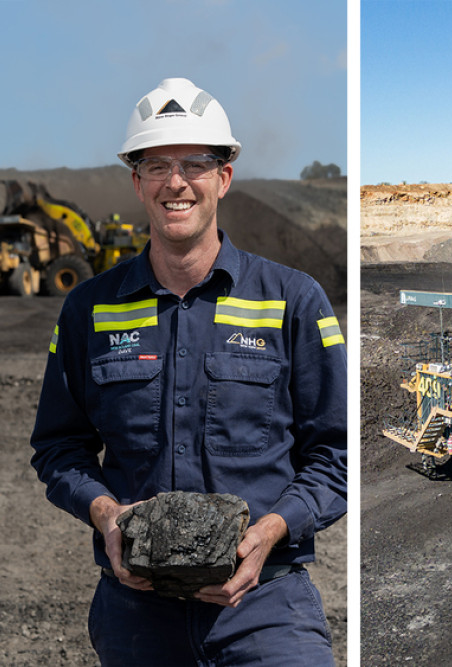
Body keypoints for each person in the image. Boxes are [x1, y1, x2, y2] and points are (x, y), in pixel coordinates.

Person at [30, 77, 347, 665]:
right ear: (137, 182)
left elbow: (336, 454)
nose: (176, 182)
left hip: (265, 608)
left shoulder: (293, 299)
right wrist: (107, 515)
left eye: (196, 164)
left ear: (223, 177)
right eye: (157, 165)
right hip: (136, 618)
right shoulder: (89, 310)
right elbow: (59, 449)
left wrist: (272, 531)